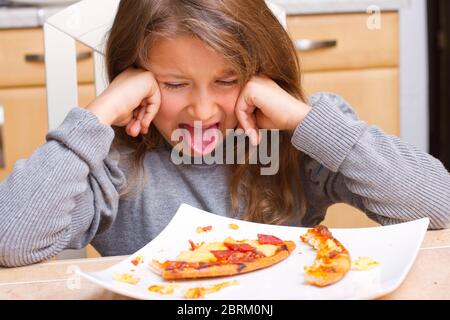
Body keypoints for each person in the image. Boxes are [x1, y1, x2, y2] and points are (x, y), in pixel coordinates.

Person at [0, 0, 449, 267]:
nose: (202, 109)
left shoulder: (304, 141)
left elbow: (440, 205)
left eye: (227, 80)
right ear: (131, 77)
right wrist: (97, 116)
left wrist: (305, 120)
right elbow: (11, 241)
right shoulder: (110, 162)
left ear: (263, 75)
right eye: (174, 84)